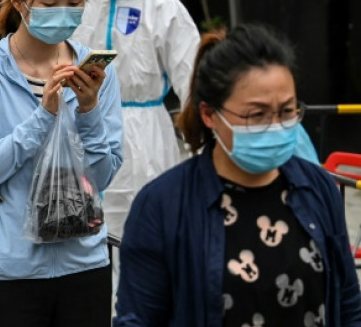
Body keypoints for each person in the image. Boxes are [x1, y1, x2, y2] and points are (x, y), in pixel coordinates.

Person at [114, 24, 361, 326]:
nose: (275, 125)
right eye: (256, 115)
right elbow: (137, 318)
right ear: (209, 115)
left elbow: (348, 302)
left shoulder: (318, 187)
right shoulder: (162, 206)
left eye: (287, 111)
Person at [0, 0, 123, 325]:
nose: (63, 13)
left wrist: (89, 109)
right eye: (49, 4)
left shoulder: (97, 71)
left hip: (85, 266)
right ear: (18, 1)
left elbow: (101, 177)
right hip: (10, 271)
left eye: (75, 2)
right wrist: (42, 117)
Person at [71, 0, 200, 236]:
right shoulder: (77, 2)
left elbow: (192, 77)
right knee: (85, 222)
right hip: (82, 123)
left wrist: (202, 142)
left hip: (146, 129)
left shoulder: (162, 5)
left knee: (149, 223)